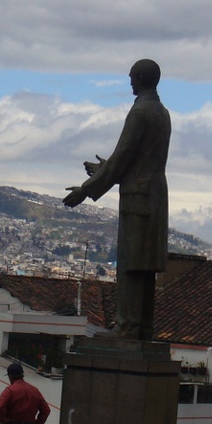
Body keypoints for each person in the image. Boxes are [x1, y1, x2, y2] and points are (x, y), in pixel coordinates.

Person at [64, 58, 171, 340]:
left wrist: (86, 189)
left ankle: (127, 327)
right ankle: (142, 326)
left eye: (131, 76)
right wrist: (104, 169)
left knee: (131, 263)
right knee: (144, 266)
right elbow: (138, 159)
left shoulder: (141, 112)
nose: (129, 80)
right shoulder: (162, 112)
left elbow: (123, 157)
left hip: (138, 197)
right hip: (155, 194)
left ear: (139, 77)